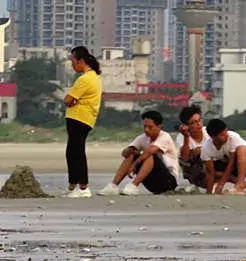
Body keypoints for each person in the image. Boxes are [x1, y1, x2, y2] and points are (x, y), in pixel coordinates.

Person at [99, 110, 179, 196]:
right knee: (132, 154)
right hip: (152, 183)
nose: (146, 130)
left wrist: (134, 165)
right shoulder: (142, 138)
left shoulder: (165, 137)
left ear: (159, 126)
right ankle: (114, 186)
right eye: (145, 127)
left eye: (150, 127)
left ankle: (134, 186)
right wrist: (128, 151)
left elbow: (150, 152)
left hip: (168, 182)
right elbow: (125, 153)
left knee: (150, 155)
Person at [63, 46, 102, 198]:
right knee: (72, 152)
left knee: (77, 152)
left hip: (80, 118)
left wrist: (71, 101)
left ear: (81, 61)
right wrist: (72, 101)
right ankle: (73, 186)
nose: (72, 64)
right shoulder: (94, 77)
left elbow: (67, 99)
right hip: (82, 118)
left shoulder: (86, 79)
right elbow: (71, 100)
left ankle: (83, 186)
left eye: (73, 60)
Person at [201, 118, 246, 195]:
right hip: (235, 166)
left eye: (225, 132)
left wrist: (221, 184)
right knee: (208, 169)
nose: (226, 136)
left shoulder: (232, 136)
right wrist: (209, 192)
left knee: (241, 148)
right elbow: (210, 173)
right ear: (213, 137)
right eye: (222, 135)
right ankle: (239, 181)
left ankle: (240, 184)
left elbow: (232, 163)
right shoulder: (206, 148)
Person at [175, 105, 209, 191]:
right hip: (193, 169)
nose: (198, 124)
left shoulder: (208, 132)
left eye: (199, 120)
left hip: (212, 164)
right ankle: (195, 182)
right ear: (186, 125)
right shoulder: (181, 137)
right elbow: (184, 157)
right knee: (197, 152)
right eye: (193, 122)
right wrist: (186, 137)